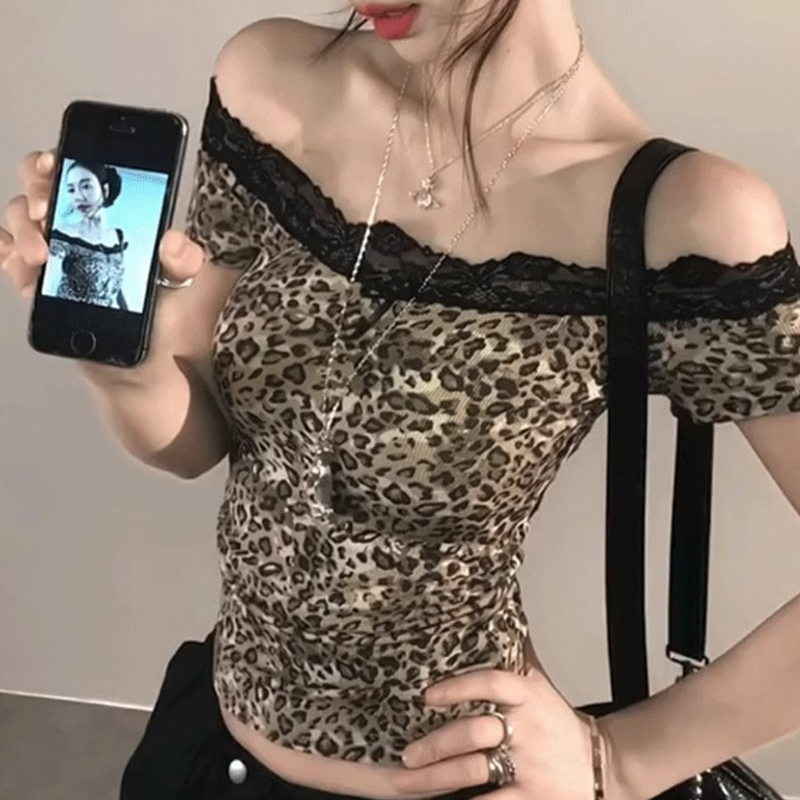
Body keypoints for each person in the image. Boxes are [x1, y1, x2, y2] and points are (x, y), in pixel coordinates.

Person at [3, 2, 800, 800]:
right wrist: (124, 370)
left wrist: (621, 761)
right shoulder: (269, 83)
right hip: (209, 751)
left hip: (451, 778)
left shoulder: (683, 217)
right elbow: (195, 445)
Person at [49, 160, 129, 310]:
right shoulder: (64, 234)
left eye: (86, 186)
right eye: (71, 190)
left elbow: (116, 288)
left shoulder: (117, 237)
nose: (78, 197)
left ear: (105, 190)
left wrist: (127, 316)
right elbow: (48, 284)